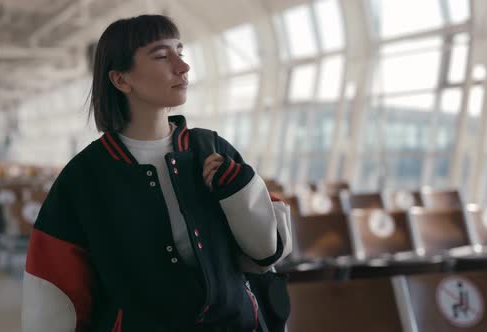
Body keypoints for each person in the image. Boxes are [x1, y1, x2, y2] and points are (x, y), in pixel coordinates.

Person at [22, 14, 292, 332]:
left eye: (181, 51)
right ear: (121, 80)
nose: (183, 66)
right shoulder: (84, 178)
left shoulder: (213, 149)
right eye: (162, 56)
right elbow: (53, 290)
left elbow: (269, 253)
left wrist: (239, 191)